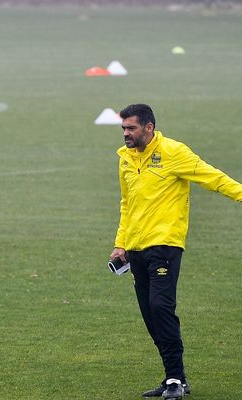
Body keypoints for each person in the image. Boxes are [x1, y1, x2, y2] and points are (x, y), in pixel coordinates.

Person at [110, 104, 242, 399]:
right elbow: (126, 204)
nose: (125, 134)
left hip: (165, 245)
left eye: (131, 128)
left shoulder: (174, 152)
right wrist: (121, 244)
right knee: (149, 314)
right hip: (135, 247)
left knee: (160, 307)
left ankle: (174, 380)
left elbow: (213, 177)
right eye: (123, 129)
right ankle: (175, 377)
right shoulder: (125, 160)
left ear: (149, 127)